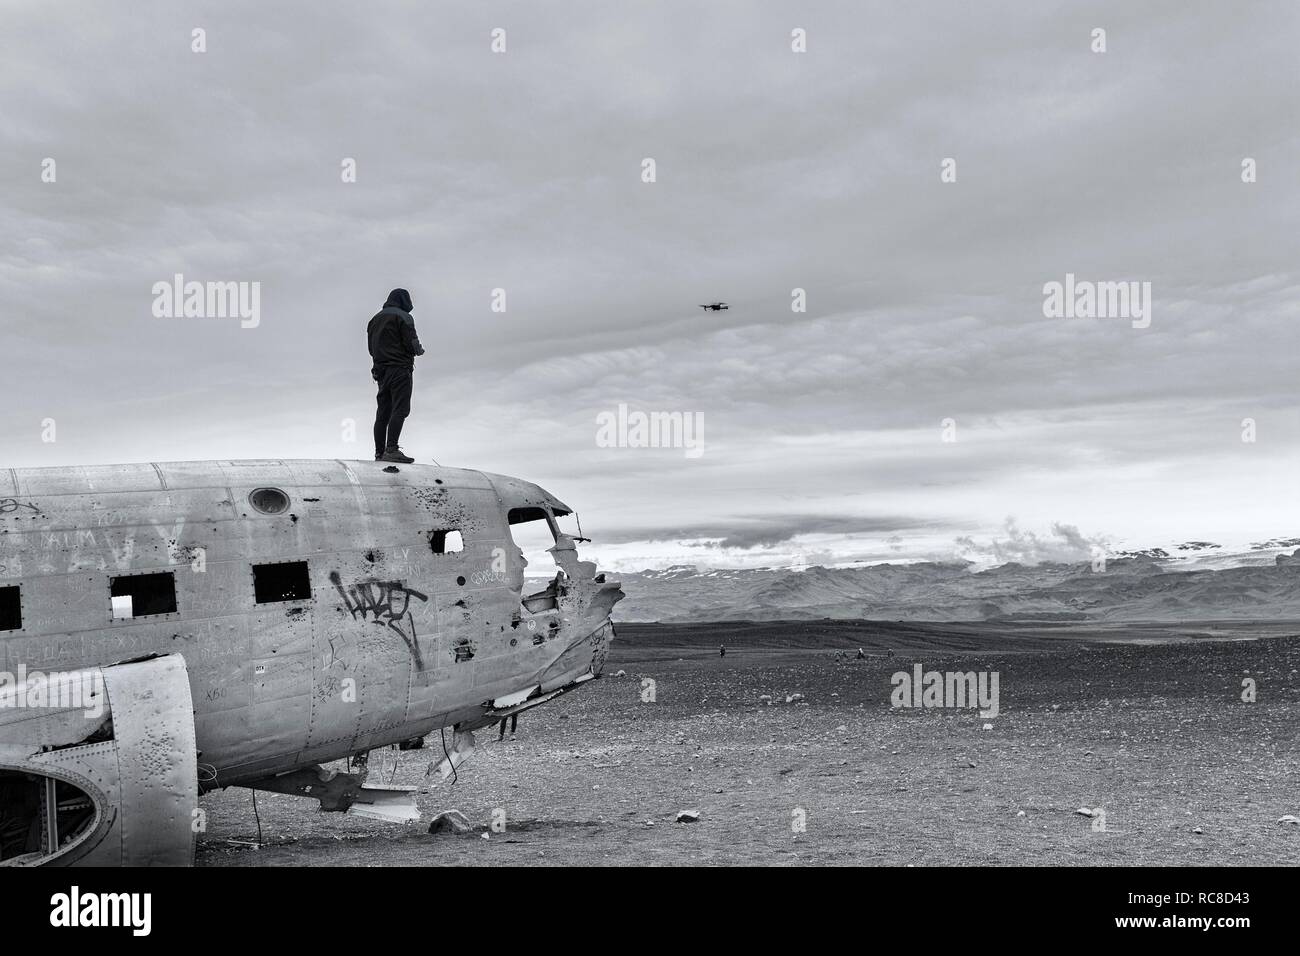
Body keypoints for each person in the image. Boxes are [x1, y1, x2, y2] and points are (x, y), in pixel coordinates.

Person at [367, 288, 424, 463]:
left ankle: (379, 452)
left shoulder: (374, 320)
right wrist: (419, 350)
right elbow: (411, 343)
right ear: (403, 300)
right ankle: (391, 449)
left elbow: (371, 348)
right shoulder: (404, 317)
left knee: (383, 412)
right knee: (400, 408)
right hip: (400, 369)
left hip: (381, 371)